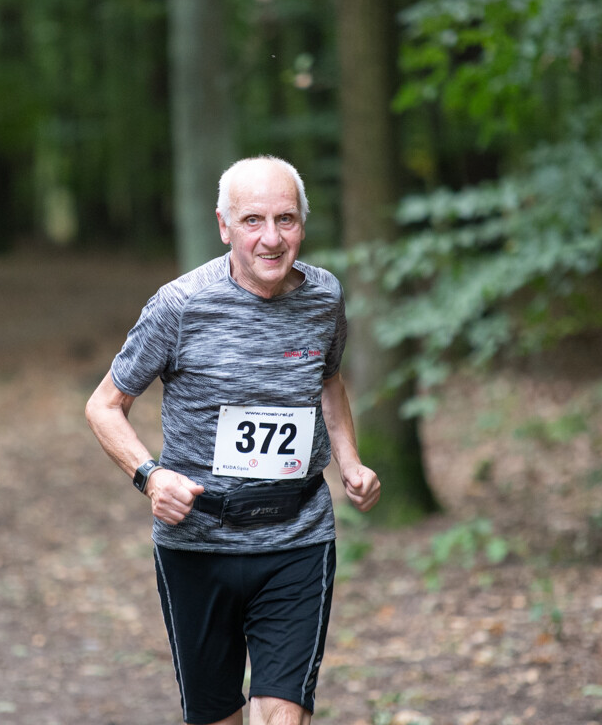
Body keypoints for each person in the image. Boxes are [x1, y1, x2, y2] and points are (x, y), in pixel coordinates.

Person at [85, 155, 381, 725]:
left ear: (302, 225)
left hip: (298, 534)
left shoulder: (324, 296)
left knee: (283, 715)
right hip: (198, 542)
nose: (271, 238)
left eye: (285, 219)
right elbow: (105, 405)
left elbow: (329, 379)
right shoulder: (179, 305)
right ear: (224, 227)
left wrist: (350, 462)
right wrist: (150, 476)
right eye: (252, 221)